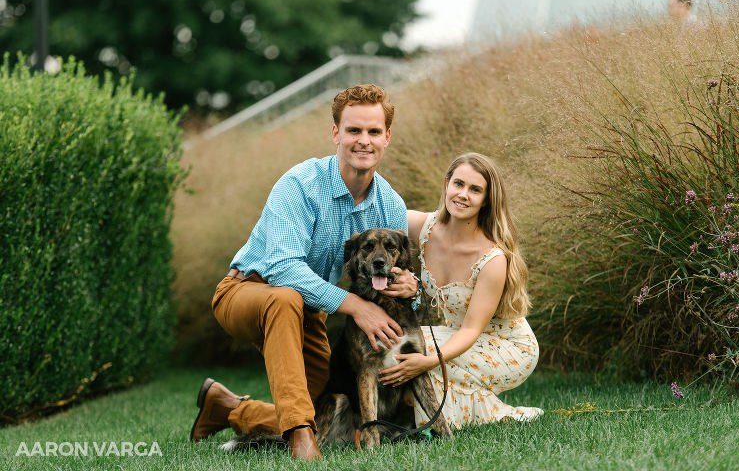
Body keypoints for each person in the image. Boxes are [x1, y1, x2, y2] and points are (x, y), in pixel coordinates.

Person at [189, 84, 419, 461]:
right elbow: (281, 268)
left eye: (374, 132)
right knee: (284, 297)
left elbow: (400, 271)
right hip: (247, 292)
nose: (364, 140)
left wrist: (411, 288)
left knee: (317, 408)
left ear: (387, 137)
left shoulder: (390, 204)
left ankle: (228, 408)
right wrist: (357, 307)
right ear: (335, 134)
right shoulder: (300, 184)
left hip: (309, 312)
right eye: (354, 130)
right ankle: (299, 441)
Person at [379, 152, 543, 427]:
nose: (463, 195)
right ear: (446, 184)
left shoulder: (492, 259)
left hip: (508, 348)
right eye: (458, 184)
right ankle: (483, 411)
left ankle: (439, 418)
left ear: (487, 200)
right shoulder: (424, 228)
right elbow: (373, 221)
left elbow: (470, 330)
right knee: (397, 341)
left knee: (414, 350)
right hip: (456, 335)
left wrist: (429, 361)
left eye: (475, 189)